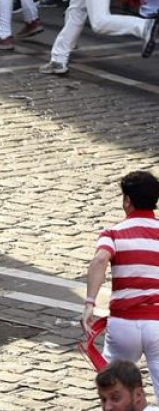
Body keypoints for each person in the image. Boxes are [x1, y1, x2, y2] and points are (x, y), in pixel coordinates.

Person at [83, 171, 159, 405]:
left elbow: (99, 261)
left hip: (123, 324)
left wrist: (89, 303)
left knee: (113, 387)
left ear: (127, 200)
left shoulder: (113, 233)